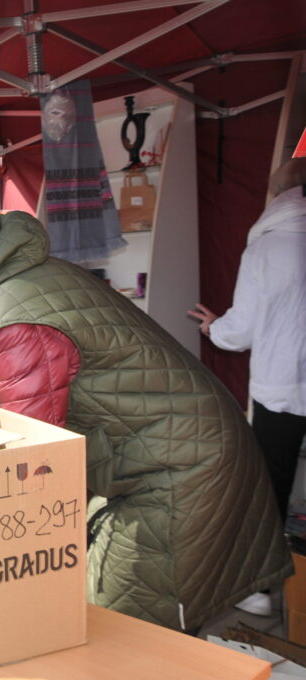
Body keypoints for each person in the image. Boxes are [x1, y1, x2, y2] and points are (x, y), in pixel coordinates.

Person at [0, 204, 292, 632]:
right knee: (126, 621)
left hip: (182, 468)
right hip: (174, 452)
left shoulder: (16, 318)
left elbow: (27, 469)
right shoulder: (15, 282)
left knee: (122, 630)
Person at [188, 158, 306, 614]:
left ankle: (260, 590)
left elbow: (244, 329)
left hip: (280, 385)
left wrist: (214, 329)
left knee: (269, 483)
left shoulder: (266, 247)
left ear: (277, 196)